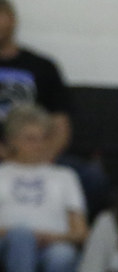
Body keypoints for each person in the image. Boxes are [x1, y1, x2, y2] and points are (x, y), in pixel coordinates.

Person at [0, 103, 87, 272]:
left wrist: (48, 237)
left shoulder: (65, 176)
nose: (38, 145)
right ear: (12, 140)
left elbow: (80, 232)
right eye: (29, 138)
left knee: (64, 257)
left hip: (53, 245)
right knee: (21, 237)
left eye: (42, 138)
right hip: (9, 245)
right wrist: (21, 234)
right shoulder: (2, 173)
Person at [0, 1, 71, 160]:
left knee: (91, 176)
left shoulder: (43, 66)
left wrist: (46, 156)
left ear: (12, 20)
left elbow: (60, 122)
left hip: (39, 152)